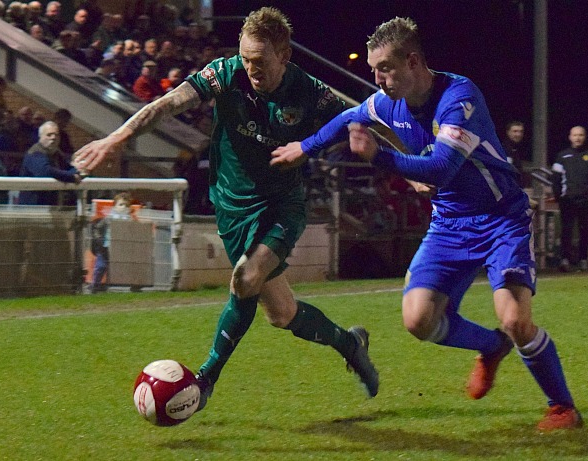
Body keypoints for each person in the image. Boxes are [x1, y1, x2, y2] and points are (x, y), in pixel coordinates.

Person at [272, 17, 582, 432]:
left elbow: (442, 167)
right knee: (418, 320)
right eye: (373, 71)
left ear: (413, 60)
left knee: (516, 320)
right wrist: (305, 147)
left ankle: (562, 407)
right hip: (450, 225)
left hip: (500, 220)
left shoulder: (459, 97)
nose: (378, 80)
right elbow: (349, 116)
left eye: (385, 68)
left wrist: (378, 157)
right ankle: (492, 348)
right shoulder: (387, 101)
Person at [72, 7, 379, 409]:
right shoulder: (224, 73)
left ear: (284, 56)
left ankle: (205, 381)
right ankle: (350, 343)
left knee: (245, 279)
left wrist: (408, 166)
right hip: (233, 208)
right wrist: (117, 139)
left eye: (260, 61)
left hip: (282, 207)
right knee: (282, 313)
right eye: (246, 58)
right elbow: (167, 104)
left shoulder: (310, 92)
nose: (250, 68)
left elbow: (367, 117)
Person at [551, 126, 588, 272]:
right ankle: (565, 259)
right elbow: (555, 178)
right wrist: (559, 196)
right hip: (567, 200)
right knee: (566, 231)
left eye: (580, 135)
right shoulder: (562, 156)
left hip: (586, 200)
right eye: (575, 135)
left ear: (584, 137)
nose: (578, 138)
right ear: (570, 137)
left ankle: (583, 259)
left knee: (585, 231)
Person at [18, 121, 82, 206]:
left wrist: (75, 172)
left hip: (51, 205)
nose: (53, 138)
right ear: (40, 136)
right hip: (33, 207)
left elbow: (69, 168)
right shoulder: (35, 153)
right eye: (49, 135)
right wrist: (71, 177)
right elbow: (45, 171)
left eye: (56, 135)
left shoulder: (56, 153)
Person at [89, 192, 133, 293]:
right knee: (101, 266)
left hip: (121, 248)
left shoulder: (129, 221)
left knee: (115, 268)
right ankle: (95, 284)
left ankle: (112, 286)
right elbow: (97, 228)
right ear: (114, 206)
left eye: (126, 205)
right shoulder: (108, 219)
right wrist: (99, 240)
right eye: (121, 205)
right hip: (105, 247)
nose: (123, 207)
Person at [502, 120, 531, 188]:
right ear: (508, 132)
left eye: (521, 131)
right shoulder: (505, 149)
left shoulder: (515, 148)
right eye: (515, 131)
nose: (518, 134)